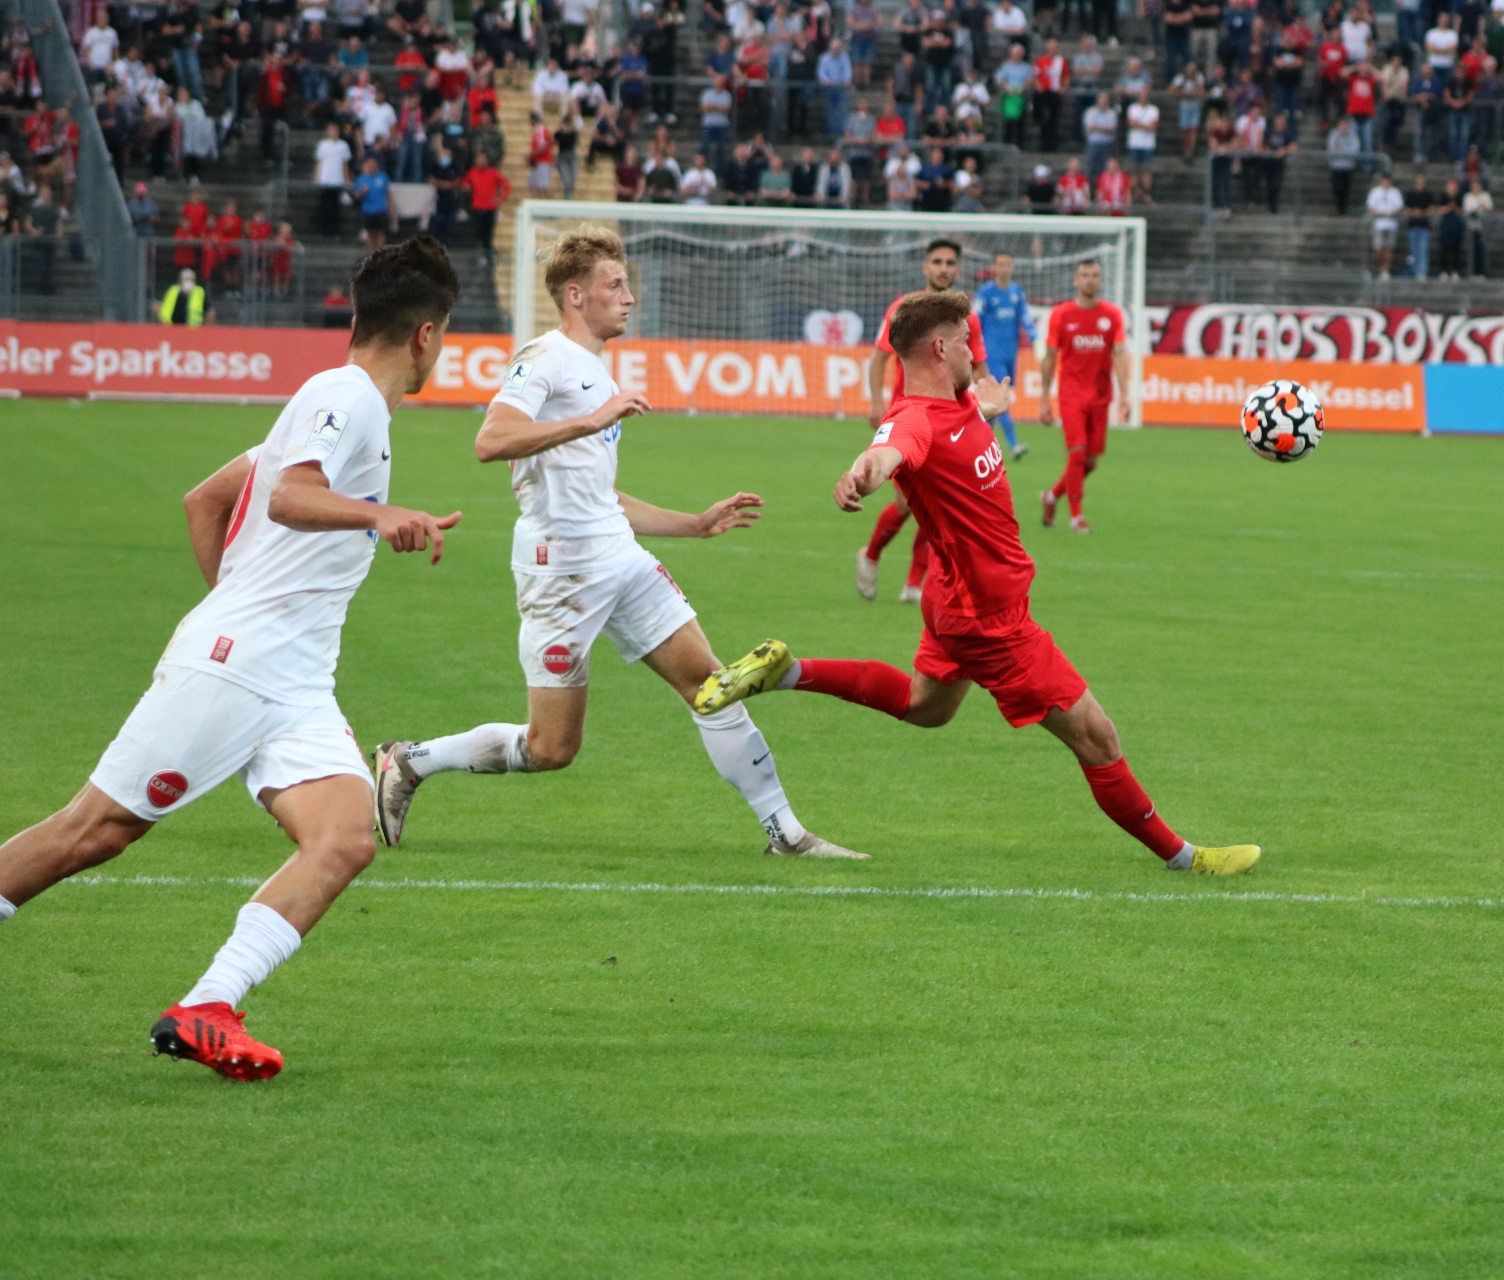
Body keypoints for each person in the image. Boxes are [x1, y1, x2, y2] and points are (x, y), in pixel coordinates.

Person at [0, 239, 463, 1082]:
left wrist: (241, 599)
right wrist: (375, 517)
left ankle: (207, 1006)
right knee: (94, 831)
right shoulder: (345, 395)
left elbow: (207, 498)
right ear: (426, 336)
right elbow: (287, 497)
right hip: (245, 662)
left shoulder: (331, 402)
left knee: (344, 835)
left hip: (290, 678)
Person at [693, 293, 1259, 877]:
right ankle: (1184, 858)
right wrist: (864, 472)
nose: (975, 352)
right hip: (991, 621)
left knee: (925, 708)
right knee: (1097, 736)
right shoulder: (914, 419)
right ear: (941, 347)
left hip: (953, 596)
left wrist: (988, 407)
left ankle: (786, 670)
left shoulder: (959, 402)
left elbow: (951, 430)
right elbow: (892, 449)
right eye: (966, 340)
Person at [372, 231, 861, 860]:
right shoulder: (544, 357)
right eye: (615, 286)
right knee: (552, 749)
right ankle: (407, 761)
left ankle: (785, 834)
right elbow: (491, 440)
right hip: (561, 573)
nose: (630, 297)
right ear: (576, 295)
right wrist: (594, 419)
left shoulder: (595, 370)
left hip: (619, 560)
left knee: (713, 685)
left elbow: (602, 497)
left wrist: (695, 523)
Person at [859, 239, 991, 603]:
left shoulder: (969, 319)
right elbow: (879, 357)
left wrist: (986, 406)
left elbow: (978, 366)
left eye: (950, 262)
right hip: (912, 420)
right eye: (937, 261)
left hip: (954, 422)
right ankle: (870, 554)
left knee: (939, 505)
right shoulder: (904, 310)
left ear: (958, 269)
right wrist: (875, 402)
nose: (944, 268)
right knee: (906, 505)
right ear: (925, 267)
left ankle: (914, 584)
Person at [1039, 259, 1128, 535]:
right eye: (1085, 275)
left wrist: (1126, 396)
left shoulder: (1111, 315)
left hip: (1101, 396)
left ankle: (1051, 496)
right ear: (1075, 280)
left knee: (1090, 462)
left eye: (1095, 275)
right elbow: (1050, 358)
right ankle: (1076, 516)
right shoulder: (1061, 315)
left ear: (1100, 280)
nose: (1090, 280)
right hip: (1071, 395)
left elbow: (1120, 354)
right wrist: (1044, 398)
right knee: (1077, 453)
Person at [973, 252, 1039, 459]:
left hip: (1011, 353)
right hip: (991, 355)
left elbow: (1026, 319)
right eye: (999, 264)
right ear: (993, 268)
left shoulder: (1016, 292)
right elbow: (975, 321)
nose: (1003, 268)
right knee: (1001, 398)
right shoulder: (985, 293)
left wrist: (1036, 340)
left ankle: (977, 444)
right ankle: (1014, 445)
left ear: (1012, 267)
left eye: (1006, 264)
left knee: (995, 405)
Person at [461, 152, 510, 263]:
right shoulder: (472, 172)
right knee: (478, 232)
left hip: (489, 208)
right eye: (479, 160)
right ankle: (480, 254)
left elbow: (507, 186)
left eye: (483, 160)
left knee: (488, 233)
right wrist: (466, 187)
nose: (481, 162)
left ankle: (488, 255)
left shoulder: (493, 173)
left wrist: (500, 198)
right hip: (477, 207)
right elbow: (464, 183)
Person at [313, 121, 352, 238]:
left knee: (335, 207)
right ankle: (323, 231)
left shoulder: (343, 145)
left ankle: (334, 231)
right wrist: (316, 177)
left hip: (337, 180)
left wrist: (347, 179)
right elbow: (319, 162)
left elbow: (345, 164)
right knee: (324, 206)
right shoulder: (323, 145)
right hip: (325, 179)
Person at [1366, 171, 1404, 279]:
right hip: (1379, 224)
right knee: (1378, 248)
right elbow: (1371, 207)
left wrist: (1390, 213)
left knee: (1389, 248)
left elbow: (1398, 207)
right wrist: (1381, 213)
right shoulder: (1375, 192)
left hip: (1391, 223)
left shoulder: (1395, 192)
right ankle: (1383, 266)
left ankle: (1385, 270)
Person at [352, 155, 391, 249]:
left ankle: (380, 254)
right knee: (370, 233)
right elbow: (355, 196)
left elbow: (388, 194)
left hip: (381, 209)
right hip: (367, 210)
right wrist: (362, 192)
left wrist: (390, 208)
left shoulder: (382, 177)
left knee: (381, 234)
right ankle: (371, 255)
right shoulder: (361, 179)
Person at [1327, 113, 1360, 213]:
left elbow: (1355, 150)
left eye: (1345, 125)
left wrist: (1343, 151)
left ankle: (1343, 208)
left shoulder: (1353, 136)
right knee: (1337, 188)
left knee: (1346, 189)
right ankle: (1338, 205)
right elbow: (1331, 149)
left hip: (1348, 166)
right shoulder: (1334, 135)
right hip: (1336, 166)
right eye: (1342, 124)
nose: (1344, 127)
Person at [1404, 171, 1434, 279]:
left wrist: (1422, 212)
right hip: (1413, 225)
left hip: (1424, 225)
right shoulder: (1411, 194)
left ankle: (1422, 272)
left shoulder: (1428, 194)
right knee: (1413, 250)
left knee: (1423, 249)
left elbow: (1431, 208)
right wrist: (1414, 212)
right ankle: (1413, 270)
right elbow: (1406, 208)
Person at [1463, 177, 1492, 277]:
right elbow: (1468, 210)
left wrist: (1481, 206)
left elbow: (1489, 208)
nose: (1476, 187)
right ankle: (1472, 272)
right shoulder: (1468, 196)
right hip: (1471, 228)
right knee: (1472, 251)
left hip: (1483, 228)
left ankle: (1480, 272)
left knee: (1481, 251)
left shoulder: (1485, 195)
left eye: (1477, 185)